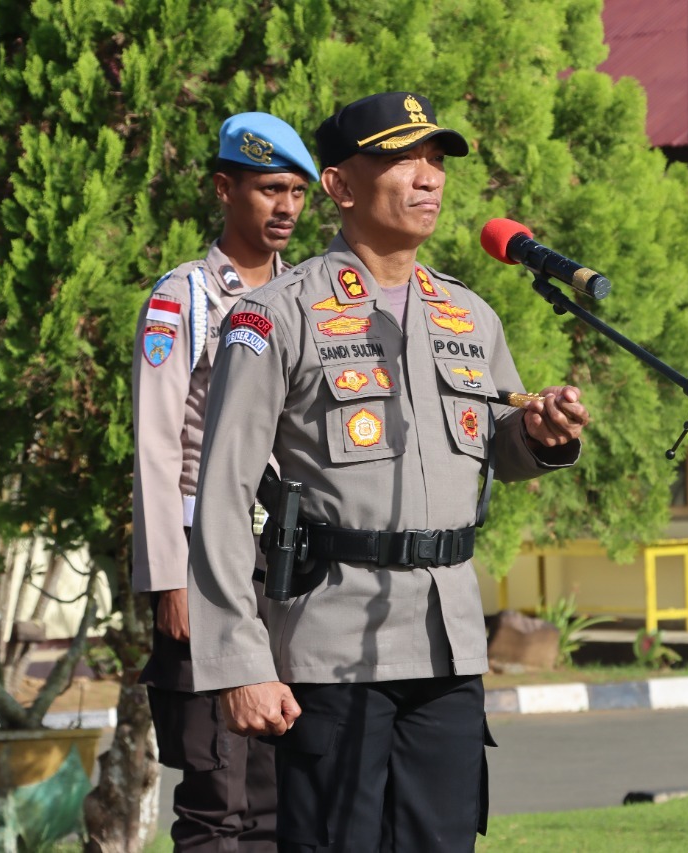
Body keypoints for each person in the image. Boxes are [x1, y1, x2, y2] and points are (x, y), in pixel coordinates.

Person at [186, 91, 590, 852]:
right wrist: (239, 661)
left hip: (448, 642)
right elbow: (222, 498)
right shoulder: (275, 315)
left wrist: (542, 435)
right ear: (340, 186)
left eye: (436, 160)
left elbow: (494, 445)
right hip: (334, 641)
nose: (428, 177)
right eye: (404, 158)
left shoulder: (470, 316)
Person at [131, 111, 319, 852]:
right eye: (270, 188)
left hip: (286, 565)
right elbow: (155, 444)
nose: (286, 208)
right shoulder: (185, 299)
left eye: (298, 193)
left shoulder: (305, 297)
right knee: (217, 792)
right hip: (203, 557)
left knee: (279, 781)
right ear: (223, 188)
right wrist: (168, 577)